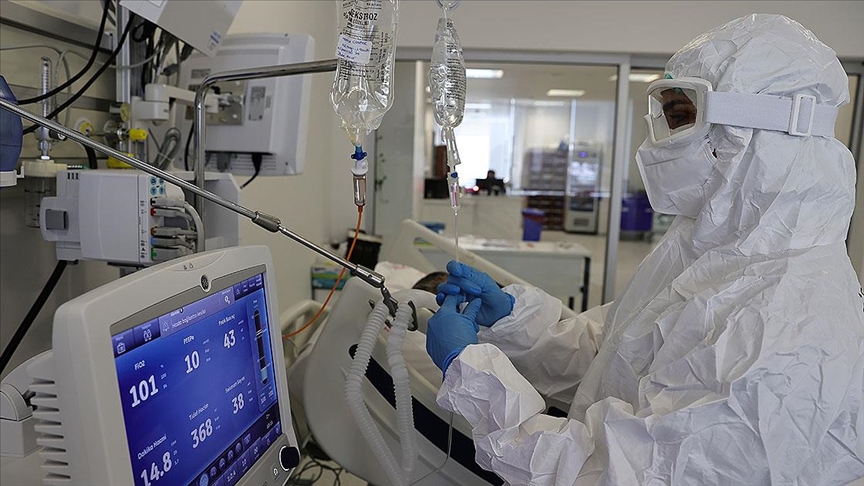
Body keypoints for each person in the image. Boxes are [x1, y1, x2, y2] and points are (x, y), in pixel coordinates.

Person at [424, 14, 864, 485]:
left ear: (755, 130)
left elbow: (608, 473)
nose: (661, 143)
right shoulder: (709, 250)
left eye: (681, 117)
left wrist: (472, 376)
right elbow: (618, 353)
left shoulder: (788, 320)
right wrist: (516, 324)